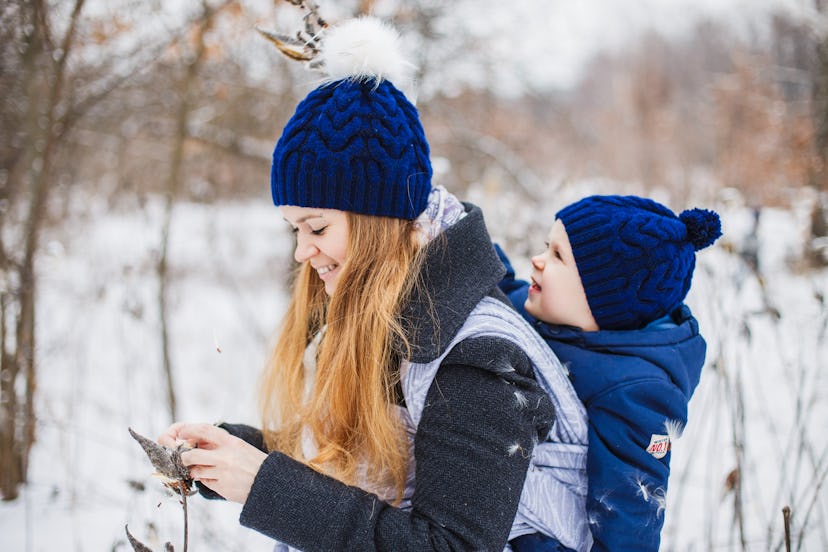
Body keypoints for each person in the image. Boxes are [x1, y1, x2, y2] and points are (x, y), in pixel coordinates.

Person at [158, 17, 591, 551]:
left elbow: (450, 545)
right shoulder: (388, 307)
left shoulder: (476, 361)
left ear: (377, 221)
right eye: (295, 229)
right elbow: (370, 461)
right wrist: (236, 455)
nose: (302, 251)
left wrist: (264, 486)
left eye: (317, 227)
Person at [496, 195, 722, 551]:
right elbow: (503, 293)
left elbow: (632, 517)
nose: (537, 261)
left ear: (602, 298)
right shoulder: (561, 317)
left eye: (557, 256)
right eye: (547, 247)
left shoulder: (637, 391)